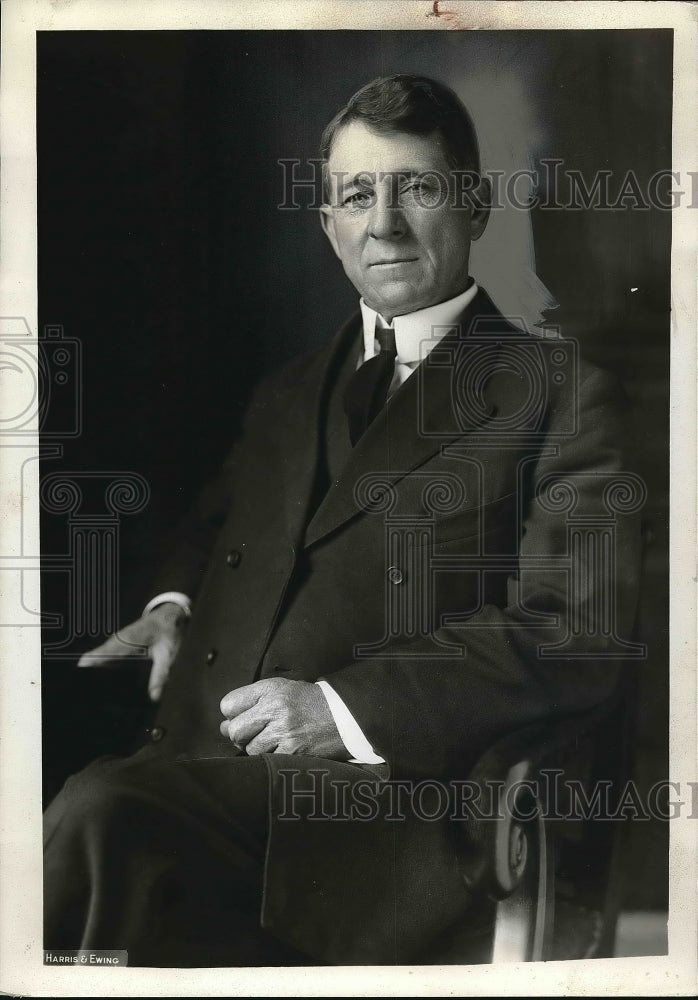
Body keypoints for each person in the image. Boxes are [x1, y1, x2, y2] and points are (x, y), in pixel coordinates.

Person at [43, 74, 642, 966]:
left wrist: (343, 709)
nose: (385, 225)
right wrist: (172, 605)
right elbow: (216, 525)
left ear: (474, 207)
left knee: (106, 815)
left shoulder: (559, 393)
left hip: (383, 809)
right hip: (201, 762)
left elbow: (576, 631)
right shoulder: (286, 393)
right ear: (327, 226)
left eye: (419, 189)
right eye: (358, 195)